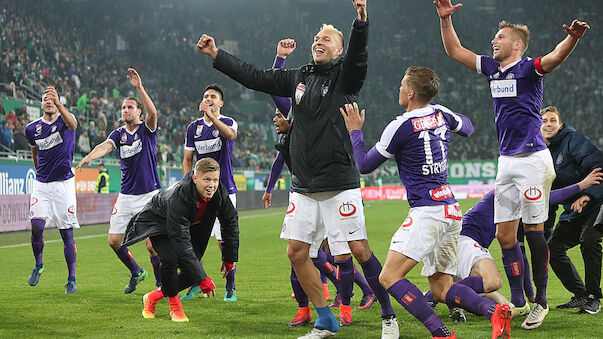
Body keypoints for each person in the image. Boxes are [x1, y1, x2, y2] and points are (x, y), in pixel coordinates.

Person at [197, 2, 402, 338]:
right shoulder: (299, 76)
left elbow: (358, 57)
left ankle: (388, 316)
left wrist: (361, 22)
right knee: (296, 252)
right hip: (304, 184)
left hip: (339, 182)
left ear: (339, 50)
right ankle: (325, 319)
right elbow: (256, 77)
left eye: (326, 39)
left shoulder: (345, 76)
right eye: (316, 37)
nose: (318, 41)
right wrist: (217, 55)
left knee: (360, 250)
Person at [434, 0, 590, 329]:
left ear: (516, 44)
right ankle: (519, 299)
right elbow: (455, 51)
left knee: (534, 232)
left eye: (500, 36)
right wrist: (445, 19)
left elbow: (555, 57)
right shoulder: (492, 69)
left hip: (533, 160)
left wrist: (573, 38)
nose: (494, 40)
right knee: (506, 236)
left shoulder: (529, 68)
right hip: (506, 162)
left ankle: (541, 302)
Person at [341, 66, 513, 339]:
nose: (398, 89)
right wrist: (444, 113)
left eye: (401, 84)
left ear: (410, 93)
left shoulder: (399, 125)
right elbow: (467, 127)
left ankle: (441, 332)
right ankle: (494, 312)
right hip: (451, 210)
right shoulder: (441, 114)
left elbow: (363, 164)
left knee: (388, 278)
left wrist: (355, 132)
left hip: (427, 212)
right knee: (441, 289)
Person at [264, 40, 376, 328]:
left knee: (340, 253)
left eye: (279, 116)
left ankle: (349, 304)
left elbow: (275, 90)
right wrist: (280, 58)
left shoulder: (314, 108)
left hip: (334, 186)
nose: (278, 119)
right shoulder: (292, 116)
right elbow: (273, 85)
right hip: (304, 190)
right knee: (299, 254)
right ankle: (310, 309)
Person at [424, 169, 603, 320]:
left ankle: (446, 295)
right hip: (465, 241)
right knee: (492, 281)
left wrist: (530, 293)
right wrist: (582, 185)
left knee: (499, 301)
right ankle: (438, 294)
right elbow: (547, 198)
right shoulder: (507, 193)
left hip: (461, 242)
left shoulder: (510, 204)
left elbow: (519, 256)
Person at [76, 68, 162, 293]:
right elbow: (105, 146)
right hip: (126, 195)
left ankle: (161, 285)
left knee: (152, 245)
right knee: (114, 241)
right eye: (123, 107)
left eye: (130, 107)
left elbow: (153, 113)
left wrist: (139, 88)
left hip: (149, 194)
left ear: (139, 112)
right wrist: (89, 156)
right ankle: (136, 271)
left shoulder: (146, 129)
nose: (125, 110)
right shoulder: (118, 134)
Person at [122, 158, 238, 322]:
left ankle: (153, 297)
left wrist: (229, 259)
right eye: (207, 179)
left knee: (193, 270)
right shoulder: (180, 195)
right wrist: (203, 278)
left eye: (215, 180)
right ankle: (175, 308)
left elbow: (230, 221)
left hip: (187, 225)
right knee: (169, 259)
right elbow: (180, 241)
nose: (212, 185)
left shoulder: (218, 193)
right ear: (195, 178)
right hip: (159, 222)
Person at [541, 106, 603, 315]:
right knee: (552, 248)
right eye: (544, 121)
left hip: (598, 202)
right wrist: (544, 230)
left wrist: (588, 194)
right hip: (575, 210)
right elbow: (549, 197)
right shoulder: (541, 154)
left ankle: (594, 297)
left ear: (560, 124)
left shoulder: (574, 140)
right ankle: (582, 294)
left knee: (589, 240)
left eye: (552, 120)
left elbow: (599, 165)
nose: (548, 124)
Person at [180, 84, 239, 302]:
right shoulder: (192, 128)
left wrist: (211, 116)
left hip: (224, 191)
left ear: (220, 103)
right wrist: (188, 184)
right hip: (199, 194)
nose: (209, 99)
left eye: (213, 97)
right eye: (206, 96)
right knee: (194, 241)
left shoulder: (228, 121)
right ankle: (197, 284)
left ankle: (230, 287)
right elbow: (187, 159)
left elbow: (230, 136)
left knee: (225, 242)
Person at [25, 85, 79, 294]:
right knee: (36, 226)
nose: (49, 101)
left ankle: (71, 279)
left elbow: (73, 124)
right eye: (45, 98)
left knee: (66, 233)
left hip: (63, 184)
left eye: (53, 98)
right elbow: (34, 153)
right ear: (41, 103)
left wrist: (59, 104)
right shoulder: (32, 128)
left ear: (58, 102)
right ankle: (38, 266)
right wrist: (41, 174)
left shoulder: (65, 120)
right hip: (42, 183)